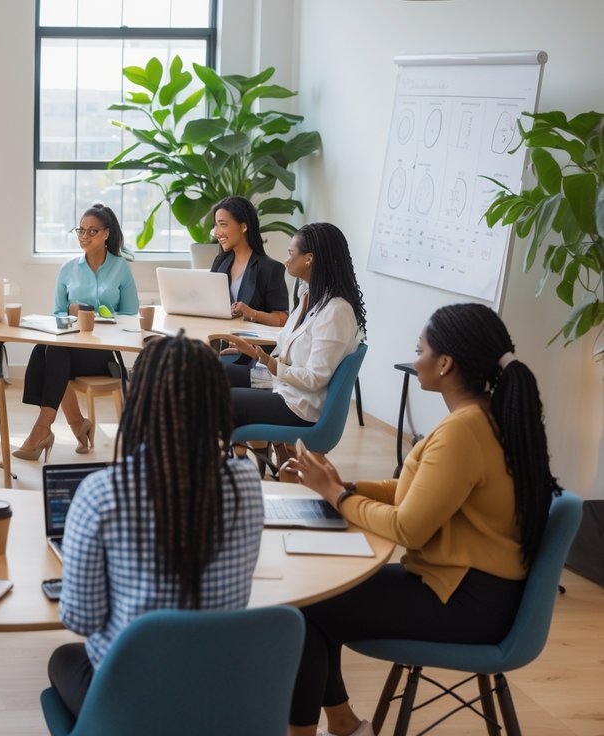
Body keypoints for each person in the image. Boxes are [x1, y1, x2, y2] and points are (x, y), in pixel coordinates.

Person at [282, 303, 561, 736]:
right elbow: (415, 494)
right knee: (316, 601)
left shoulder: (463, 431)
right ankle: (344, 725)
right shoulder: (484, 417)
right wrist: (344, 487)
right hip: (476, 590)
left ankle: (332, 727)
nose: (416, 359)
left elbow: (409, 527)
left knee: (307, 606)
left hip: (465, 601)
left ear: (445, 363)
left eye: (420, 349)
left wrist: (335, 496)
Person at [47, 334, 263, 717]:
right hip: (217, 689)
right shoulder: (246, 481)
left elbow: (81, 619)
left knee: (63, 659)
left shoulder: (102, 492)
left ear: (138, 400)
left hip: (133, 698)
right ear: (217, 401)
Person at [16, 204, 138, 460]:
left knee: (50, 352)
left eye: (92, 231)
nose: (84, 236)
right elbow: (58, 314)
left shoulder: (120, 267)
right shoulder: (68, 268)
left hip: (103, 352)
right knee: (46, 349)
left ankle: (44, 428)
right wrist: (70, 313)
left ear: (106, 234)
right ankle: (59, 425)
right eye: (80, 230)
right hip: (71, 347)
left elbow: (130, 315)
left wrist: (96, 313)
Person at [216, 221, 365, 428]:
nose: (286, 260)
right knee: (213, 373)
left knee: (221, 400)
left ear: (309, 259)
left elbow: (314, 379)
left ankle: (224, 454)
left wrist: (269, 362)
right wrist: (253, 352)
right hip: (278, 384)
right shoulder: (307, 295)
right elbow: (286, 347)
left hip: (298, 404)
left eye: (290, 253)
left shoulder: (336, 312)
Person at [208, 196, 289, 327]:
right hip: (221, 339)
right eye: (216, 226)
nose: (217, 232)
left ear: (244, 226)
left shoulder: (271, 268)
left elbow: (282, 319)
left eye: (223, 225)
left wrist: (251, 313)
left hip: (251, 344)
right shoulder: (220, 262)